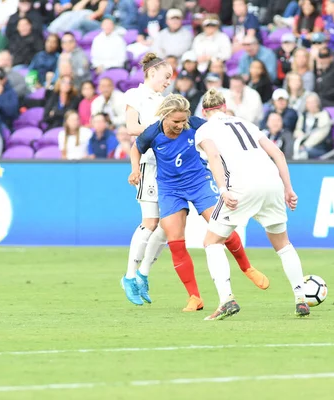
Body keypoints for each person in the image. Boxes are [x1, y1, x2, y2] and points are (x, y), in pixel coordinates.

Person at [128, 94, 269, 310]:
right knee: (175, 240)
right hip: (169, 189)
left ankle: (247, 268)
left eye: (183, 120)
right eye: (176, 121)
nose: (180, 125)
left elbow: (220, 136)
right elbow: (136, 148)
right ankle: (194, 297)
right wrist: (135, 169)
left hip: (199, 182)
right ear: (165, 116)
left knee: (220, 226)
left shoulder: (196, 124)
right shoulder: (153, 132)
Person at [194, 88, 310, 320]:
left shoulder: (205, 129)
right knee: (283, 244)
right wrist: (288, 188)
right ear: (224, 107)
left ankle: (226, 299)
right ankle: (301, 298)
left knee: (212, 241)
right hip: (272, 184)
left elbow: (214, 157)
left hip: (242, 187)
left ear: (205, 111)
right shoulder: (245, 123)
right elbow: (277, 153)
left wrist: (224, 190)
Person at [121, 53, 173, 305]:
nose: (168, 82)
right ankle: (129, 276)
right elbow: (131, 127)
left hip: (168, 166)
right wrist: (161, 128)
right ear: (152, 73)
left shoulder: (164, 100)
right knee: (150, 222)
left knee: (168, 224)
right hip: (149, 165)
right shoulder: (135, 95)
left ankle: (143, 274)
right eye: (166, 77)